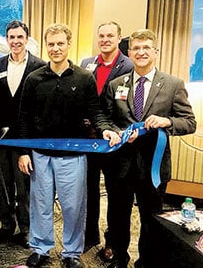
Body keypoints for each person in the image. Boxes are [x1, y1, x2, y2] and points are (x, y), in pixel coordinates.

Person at [17, 23, 121, 268]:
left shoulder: (84, 78)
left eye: (60, 43)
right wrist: (23, 152)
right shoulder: (34, 79)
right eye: (51, 44)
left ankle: (72, 253)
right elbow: (23, 118)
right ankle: (41, 248)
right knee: (41, 205)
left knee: (73, 206)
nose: (55, 48)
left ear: (68, 44)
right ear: (46, 45)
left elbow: (95, 112)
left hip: (73, 156)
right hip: (40, 155)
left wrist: (106, 129)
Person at [103, 29, 196, 268]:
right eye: (136, 48)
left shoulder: (173, 85)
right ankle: (120, 258)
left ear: (156, 52)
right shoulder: (116, 85)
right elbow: (106, 117)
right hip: (120, 166)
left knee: (151, 218)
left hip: (153, 167)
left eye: (146, 48)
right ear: (129, 52)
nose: (141, 52)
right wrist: (114, 131)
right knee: (117, 217)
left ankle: (147, 261)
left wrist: (167, 121)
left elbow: (189, 122)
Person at [0, 20, 46, 248]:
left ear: (27, 39)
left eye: (20, 37)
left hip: (26, 138)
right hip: (1, 138)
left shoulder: (40, 66)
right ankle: (6, 226)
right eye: (11, 37)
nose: (16, 41)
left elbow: (40, 106)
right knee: (3, 185)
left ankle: (27, 230)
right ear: (7, 39)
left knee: (25, 188)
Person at [79, 21, 133, 257]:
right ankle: (90, 235)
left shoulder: (129, 65)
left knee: (116, 195)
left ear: (119, 38)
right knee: (88, 190)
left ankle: (112, 242)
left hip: (114, 140)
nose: (105, 39)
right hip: (88, 140)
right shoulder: (86, 64)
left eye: (110, 35)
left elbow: (129, 106)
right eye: (101, 35)